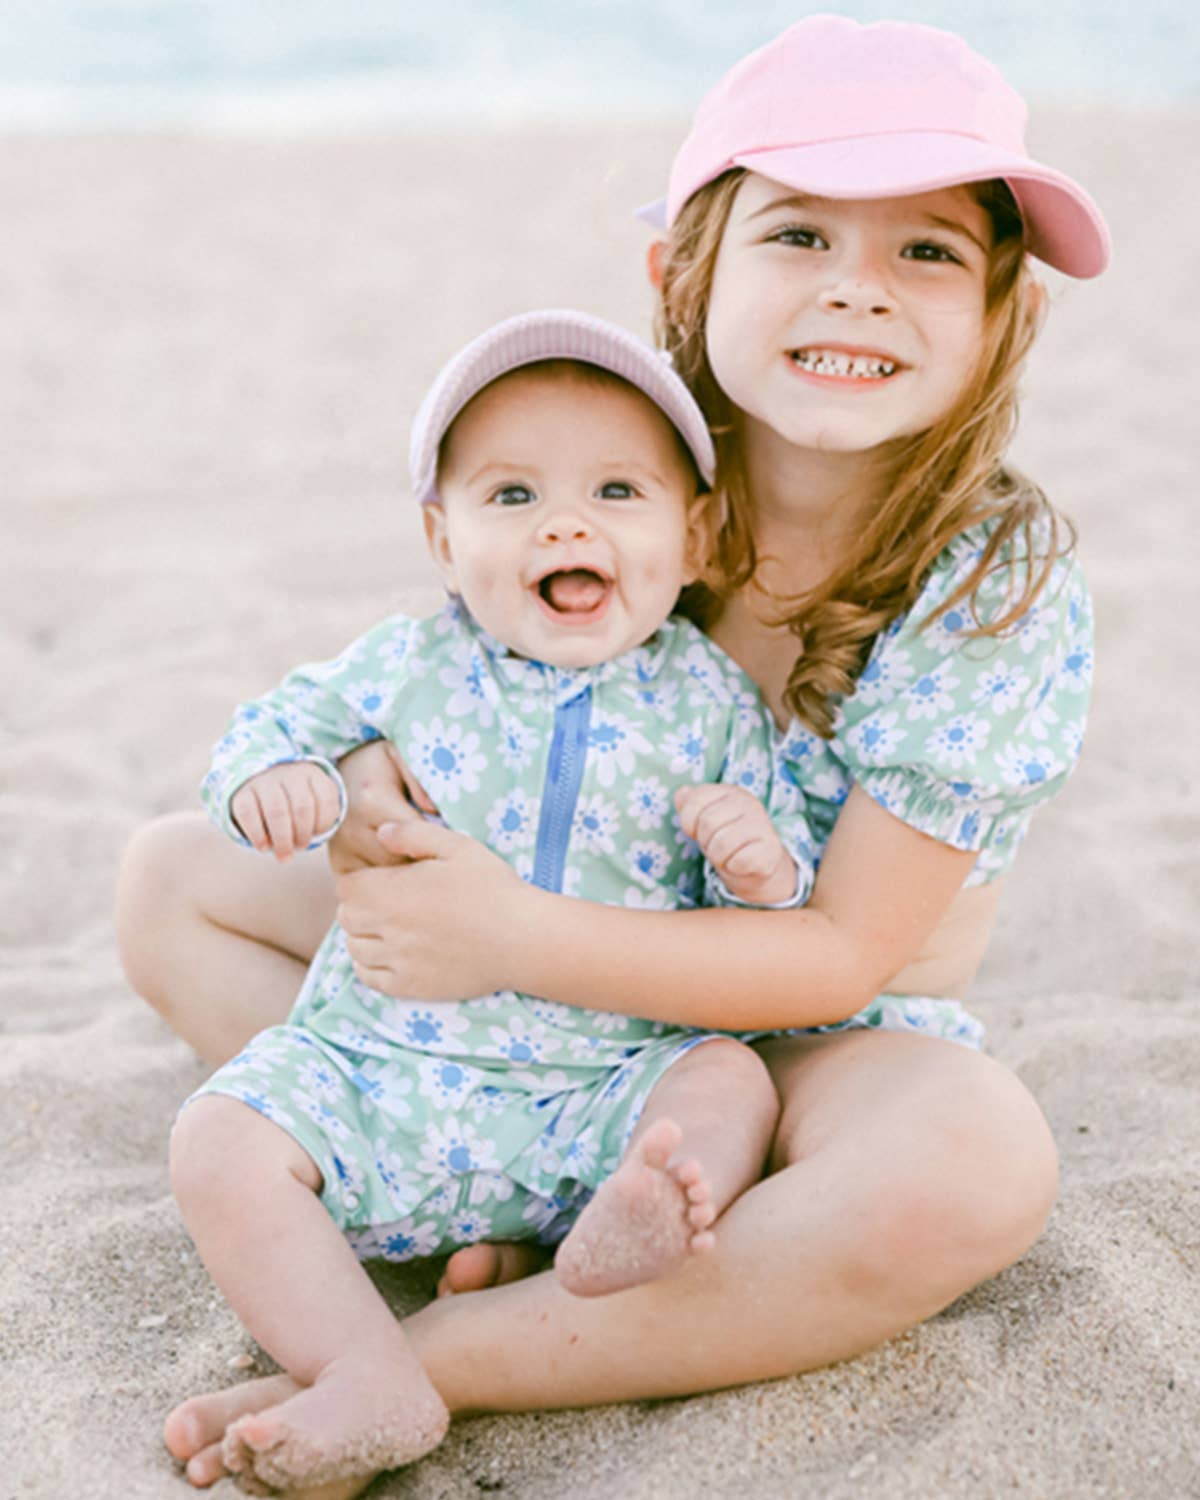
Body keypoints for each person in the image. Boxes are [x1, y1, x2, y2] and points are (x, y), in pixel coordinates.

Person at [114, 15, 1110, 1498]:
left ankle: (435, 1358)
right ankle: (492, 1180)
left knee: (974, 1167)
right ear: (681, 277)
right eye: (798, 233)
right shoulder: (619, 454)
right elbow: (449, 659)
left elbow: (839, 954)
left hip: (796, 1021)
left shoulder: (990, 577)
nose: (856, 287)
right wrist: (382, 799)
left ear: (998, 313)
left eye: (926, 254)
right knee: (168, 883)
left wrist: (508, 931)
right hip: (526, 1007)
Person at [169, 309, 816, 1493]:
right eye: (510, 497)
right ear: (440, 535)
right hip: (393, 1072)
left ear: (698, 535)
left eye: (618, 490)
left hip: (601, 1089)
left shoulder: (712, 703)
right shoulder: (412, 664)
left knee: (728, 1078)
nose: (565, 522)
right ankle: (368, 1369)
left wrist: (757, 855)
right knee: (218, 1137)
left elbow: (782, 892)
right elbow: (270, 727)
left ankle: (645, 1206)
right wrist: (278, 783)